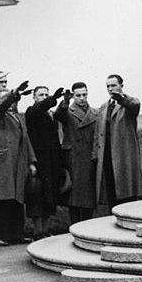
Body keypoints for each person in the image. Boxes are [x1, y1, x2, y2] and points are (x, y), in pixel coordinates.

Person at [0, 79, 37, 246]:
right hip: (3, 162)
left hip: (17, 162)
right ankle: (2, 235)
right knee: (3, 198)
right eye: (8, 99)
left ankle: (17, 234)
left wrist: (31, 161)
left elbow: (26, 139)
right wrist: (12, 94)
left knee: (17, 198)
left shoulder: (17, 116)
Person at [93, 74, 142, 209]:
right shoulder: (104, 107)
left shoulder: (130, 102)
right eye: (108, 86)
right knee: (111, 190)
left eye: (113, 85)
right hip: (107, 155)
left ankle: (128, 221)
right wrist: (95, 155)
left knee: (127, 191)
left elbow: (134, 106)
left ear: (121, 85)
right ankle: (113, 220)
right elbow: (98, 133)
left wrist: (121, 99)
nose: (110, 88)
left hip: (124, 155)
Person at [24, 85, 66, 239]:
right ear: (34, 97)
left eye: (46, 94)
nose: (43, 97)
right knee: (37, 195)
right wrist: (53, 99)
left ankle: (46, 229)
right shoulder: (31, 111)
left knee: (50, 195)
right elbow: (40, 108)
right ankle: (37, 231)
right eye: (40, 94)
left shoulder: (50, 114)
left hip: (52, 161)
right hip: (39, 160)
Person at [53, 81, 98, 224]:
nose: (82, 98)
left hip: (90, 156)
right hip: (73, 157)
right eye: (78, 95)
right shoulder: (67, 110)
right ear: (73, 96)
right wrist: (65, 101)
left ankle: (87, 226)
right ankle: (74, 226)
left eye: (84, 94)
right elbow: (59, 115)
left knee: (88, 194)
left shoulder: (95, 112)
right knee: (75, 194)